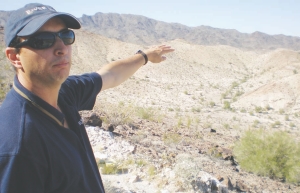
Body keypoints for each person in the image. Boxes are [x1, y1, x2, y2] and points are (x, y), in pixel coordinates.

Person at [0, 3, 174, 193]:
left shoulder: (64, 93)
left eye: (66, 36)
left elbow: (109, 75)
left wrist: (144, 56)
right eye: (43, 41)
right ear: (14, 57)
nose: (62, 48)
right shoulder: (18, 145)